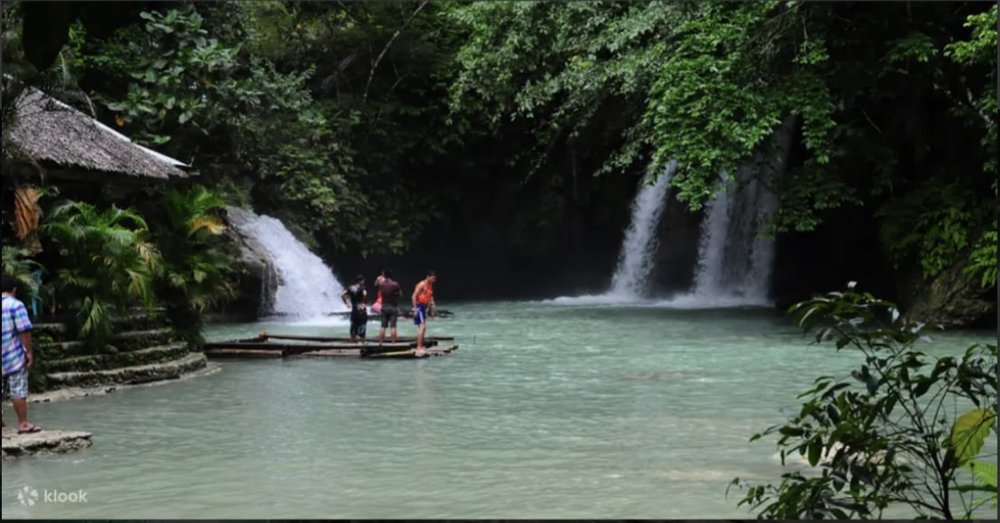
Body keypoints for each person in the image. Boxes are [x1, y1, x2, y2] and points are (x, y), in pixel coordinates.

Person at [2, 275, 40, 434]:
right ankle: (23, 424)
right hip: (13, 354)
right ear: (14, 290)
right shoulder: (16, 305)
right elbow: (23, 330)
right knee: (18, 388)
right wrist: (29, 352)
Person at [411, 270, 437, 357]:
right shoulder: (422, 284)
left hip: (424, 307)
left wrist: (430, 309)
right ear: (428, 277)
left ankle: (421, 345)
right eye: (433, 278)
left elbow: (429, 297)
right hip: (419, 307)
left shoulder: (430, 285)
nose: (434, 280)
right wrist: (415, 309)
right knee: (423, 327)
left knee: (422, 327)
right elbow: (414, 296)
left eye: (435, 279)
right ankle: (419, 347)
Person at [376, 269, 403, 345]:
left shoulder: (381, 284)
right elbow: (400, 294)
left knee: (383, 326)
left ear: (384, 275)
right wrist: (396, 294)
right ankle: (393, 343)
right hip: (393, 306)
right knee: (393, 326)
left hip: (384, 306)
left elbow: (380, 290)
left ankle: (381, 343)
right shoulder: (395, 284)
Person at [341, 274, 367, 344]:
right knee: (362, 326)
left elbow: (342, 294)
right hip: (361, 309)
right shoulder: (363, 288)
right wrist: (363, 303)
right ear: (360, 281)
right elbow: (365, 294)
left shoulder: (351, 287)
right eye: (363, 280)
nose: (364, 281)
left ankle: (351, 344)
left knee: (353, 325)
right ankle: (363, 344)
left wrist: (347, 303)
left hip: (354, 308)